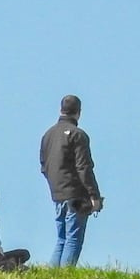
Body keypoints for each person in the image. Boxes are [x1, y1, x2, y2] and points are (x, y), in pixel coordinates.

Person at [40, 94, 104, 267]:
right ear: (79, 112)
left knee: (61, 238)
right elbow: (84, 167)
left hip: (57, 193)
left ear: (60, 109)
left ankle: (53, 276)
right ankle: (65, 276)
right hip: (76, 194)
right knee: (73, 239)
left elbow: (43, 166)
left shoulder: (48, 135)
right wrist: (94, 195)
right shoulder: (78, 135)